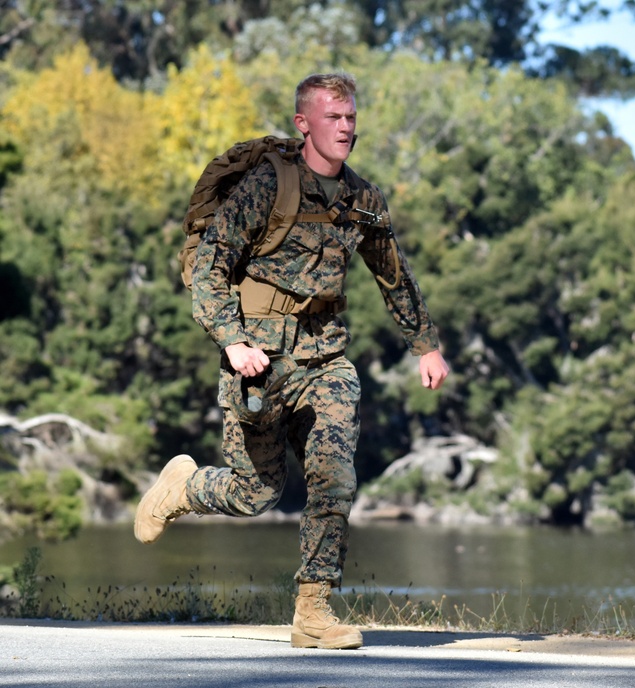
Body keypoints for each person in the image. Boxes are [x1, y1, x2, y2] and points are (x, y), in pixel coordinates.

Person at [133, 72, 449, 650]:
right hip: (260, 359)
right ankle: (182, 488)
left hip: (326, 357)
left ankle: (313, 611)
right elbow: (209, 268)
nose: (346, 126)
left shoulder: (364, 200)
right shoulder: (266, 187)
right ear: (304, 124)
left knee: (335, 476)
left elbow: (393, 275)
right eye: (334, 117)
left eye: (351, 116)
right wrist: (232, 340)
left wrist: (424, 344)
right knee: (256, 493)